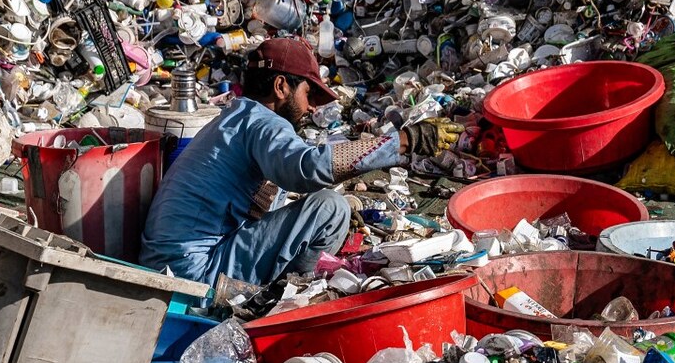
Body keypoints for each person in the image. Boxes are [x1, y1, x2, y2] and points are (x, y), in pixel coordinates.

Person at [139, 37, 460, 288]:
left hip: (172, 263)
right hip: (193, 273)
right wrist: (404, 142)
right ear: (281, 86)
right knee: (331, 209)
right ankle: (290, 295)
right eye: (308, 94)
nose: (309, 109)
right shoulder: (262, 122)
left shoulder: (235, 119)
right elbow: (305, 170)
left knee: (292, 201)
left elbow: (268, 197)